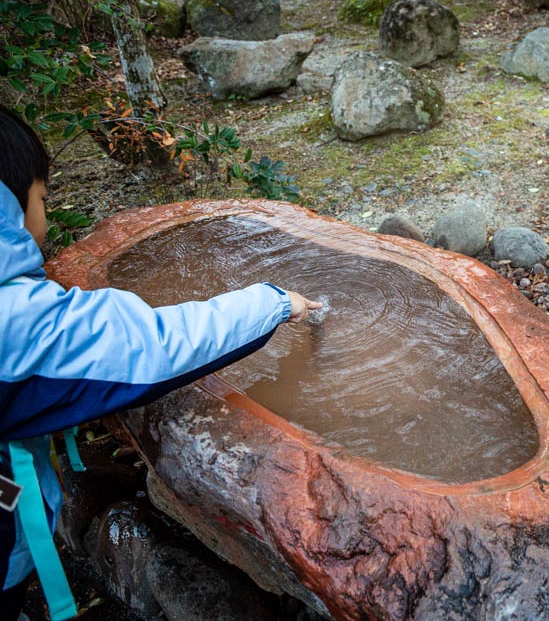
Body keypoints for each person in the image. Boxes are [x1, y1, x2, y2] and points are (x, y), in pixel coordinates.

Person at [0, 106, 321, 620]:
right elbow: (153, 345)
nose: (46, 217)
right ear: (9, 209)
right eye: (42, 198)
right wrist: (275, 302)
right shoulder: (12, 320)